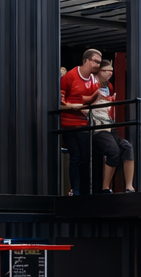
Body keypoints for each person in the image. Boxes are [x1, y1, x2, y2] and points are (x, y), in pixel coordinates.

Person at [57, 48, 102, 196]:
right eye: (95, 61)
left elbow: (92, 101)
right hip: (69, 123)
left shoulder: (94, 80)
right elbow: (59, 102)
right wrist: (72, 106)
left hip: (84, 123)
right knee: (76, 157)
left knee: (85, 158)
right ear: (86, 61)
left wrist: (90, 105)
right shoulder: (69, 77)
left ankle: (83, 191)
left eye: (99, 62)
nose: (97, 65)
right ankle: (76, 191)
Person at [89, 58, 135, 193]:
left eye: (111, 71)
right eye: (105, 71)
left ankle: (129, 186)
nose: (109, 74)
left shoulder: (108, 86)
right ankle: (105, 187)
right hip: (96, 124)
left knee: (127, 147)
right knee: (112, 150)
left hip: (108, 122)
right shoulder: (91, 83)